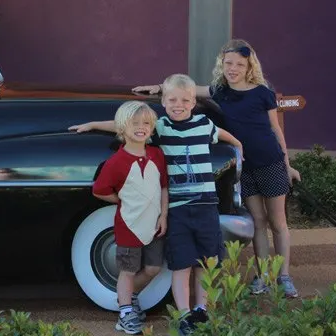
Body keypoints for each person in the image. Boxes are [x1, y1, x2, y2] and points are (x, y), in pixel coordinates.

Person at [72, 75, 243, 335]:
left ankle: (202, 310)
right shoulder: (160, 127)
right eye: (172, 99)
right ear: (163, 101)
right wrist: (93, 124)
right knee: (182, 262)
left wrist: (237, 143)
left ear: (193, 102)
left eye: (185, 100)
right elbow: (127, 125)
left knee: (206, 262)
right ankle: (184, 314)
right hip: (179, 207)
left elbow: (221, 134)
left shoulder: (203, 123)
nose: (178, 104)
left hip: (207, 204)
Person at [132, 39, 302, 298]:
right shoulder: (220, 90)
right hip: (245, 166)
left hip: (271, 162)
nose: (233, 68)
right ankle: (264, 275)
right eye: (228, 63)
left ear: (249, 66)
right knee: (257, 221)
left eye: (239, 64)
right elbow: (190, 90)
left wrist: (287, 165)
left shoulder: (262, 91)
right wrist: (157, 88)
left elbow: (275, 129)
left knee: (278, 222)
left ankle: (285, 276)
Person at [91, 100, 169, 335]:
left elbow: (164, 187)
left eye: (146, 123)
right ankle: (125, 312)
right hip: (128, 226)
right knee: (127, 270)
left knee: (154, 268)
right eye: (134, 123)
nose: (141, 127)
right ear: (122, 128)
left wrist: (163, 215)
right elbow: (99, 190)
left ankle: (128, 297)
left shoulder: (156, 155)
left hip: (155, 225)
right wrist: (122, 200)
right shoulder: (116, 161)